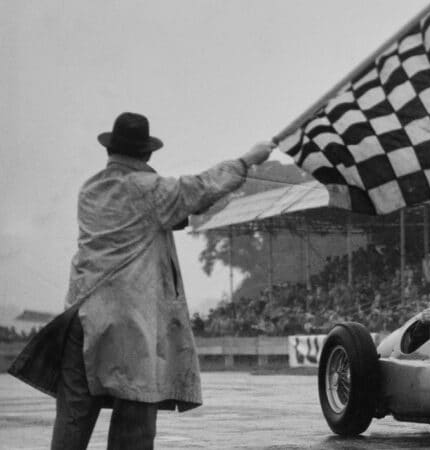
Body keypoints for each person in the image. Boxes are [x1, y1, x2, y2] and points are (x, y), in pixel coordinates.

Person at [10, 112, 275, 449]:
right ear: (147, 154)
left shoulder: (89, 190)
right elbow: (202, 187)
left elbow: (157, 216)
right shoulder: (152, 192)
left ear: (110, 151)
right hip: (129, 325)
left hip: (81, 318)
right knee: (133, 425)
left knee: (72, 423)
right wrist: (248, 159)